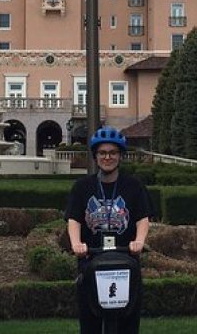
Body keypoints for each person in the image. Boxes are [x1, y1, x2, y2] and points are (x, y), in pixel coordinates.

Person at [65, 126, 153, 334]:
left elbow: (143, 218)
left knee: (128, 322)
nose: (108, 157)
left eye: (113, 153)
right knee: (90, 323)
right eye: (103, 153)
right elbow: (74, 219)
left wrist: (139, 240)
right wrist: (76, 244)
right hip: (90, 260)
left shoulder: (134, 186)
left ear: (120, 156)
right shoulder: (82, 187)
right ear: (95, 156)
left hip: (126, 260)